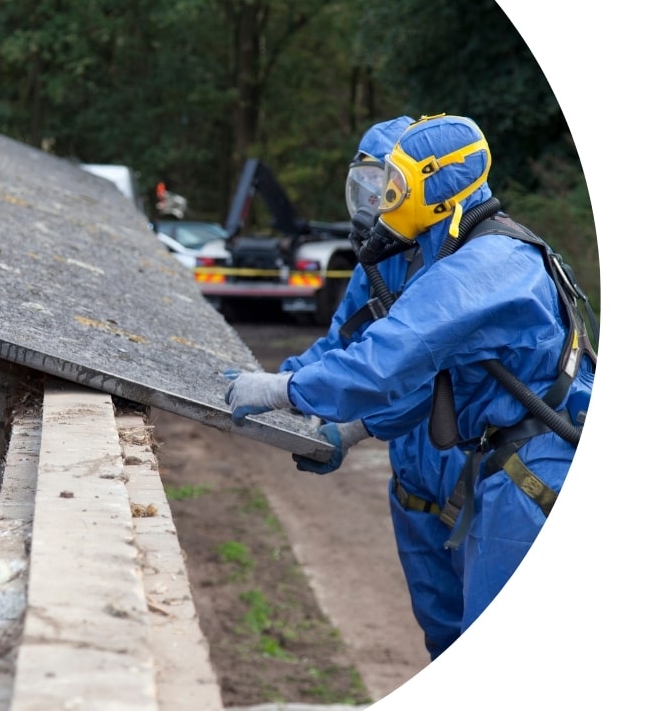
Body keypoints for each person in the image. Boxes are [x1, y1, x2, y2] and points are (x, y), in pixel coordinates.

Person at [224, 114, 595, 638]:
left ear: (433, 188)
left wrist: (284, 391)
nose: (382, 204)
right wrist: (288, 384)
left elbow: (389, 361)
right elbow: (349, 344)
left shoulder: (482, 265)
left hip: (529, 473)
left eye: (395, 188)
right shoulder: (462, 250)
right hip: (504, 464)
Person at [278, 114, 468, 658]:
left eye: (383, 188)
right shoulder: (378, 262)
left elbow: (430, 375)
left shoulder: (465, 265)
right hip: (415, 482)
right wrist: (285, 381)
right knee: (440, 634)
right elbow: (344, 343)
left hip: (477, 474)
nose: (370, 204)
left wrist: (354, 427)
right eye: (363, 186)